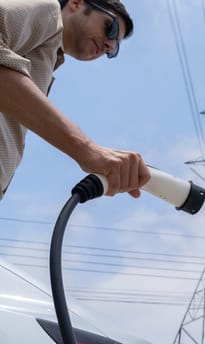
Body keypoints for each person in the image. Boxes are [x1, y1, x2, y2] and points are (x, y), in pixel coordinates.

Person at [0, 0, 150, 201]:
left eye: (114, 49)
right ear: (76, 3)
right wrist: (88, 150)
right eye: (111, 28)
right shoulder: (49, 11)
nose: (110, 44)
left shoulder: (46, 58)